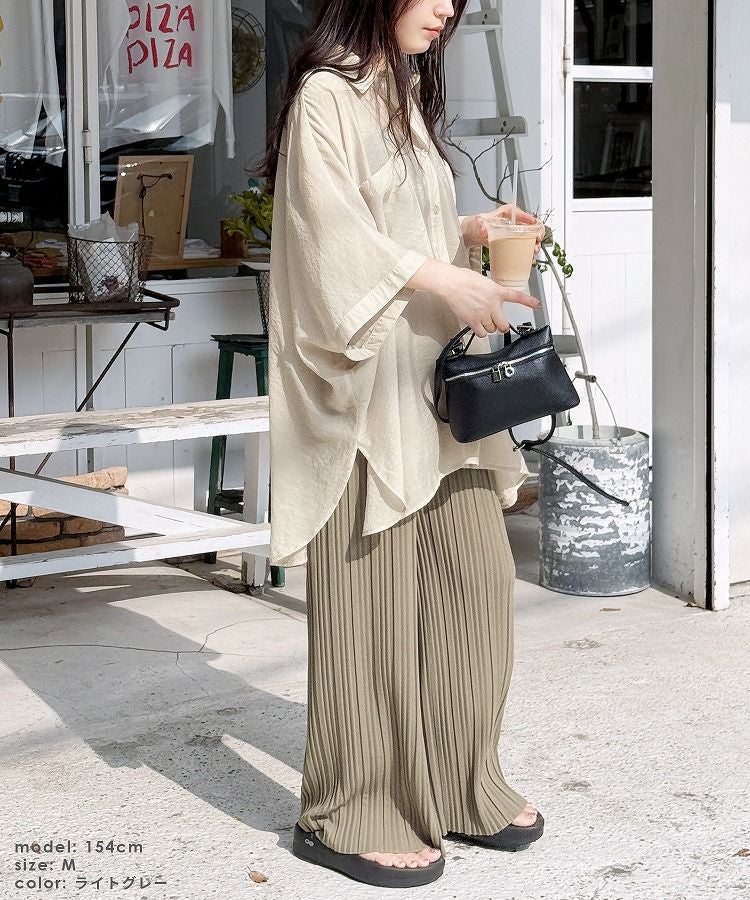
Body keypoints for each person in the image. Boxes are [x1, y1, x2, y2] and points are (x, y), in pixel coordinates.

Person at [257, 0, 546, 889]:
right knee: (371, 612)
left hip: (435, 393)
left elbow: (394, 228)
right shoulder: (328, 97)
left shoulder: (404, 92)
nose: (448, 7)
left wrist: (468, 234)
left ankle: (460, 780)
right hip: (365, 397)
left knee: (476, 590)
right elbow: (328, 241)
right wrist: (447, 282)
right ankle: (349, 810)